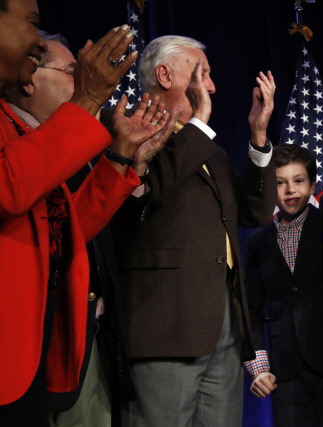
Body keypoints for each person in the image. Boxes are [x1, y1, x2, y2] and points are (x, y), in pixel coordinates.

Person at [0, 1, 176, 424]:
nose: (39, 41)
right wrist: (89, 98)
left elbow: (66, 228)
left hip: (32, 358)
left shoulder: (22, 129)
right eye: (33, 24)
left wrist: (120, 157)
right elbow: (9, 187)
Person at [118, 35, 277, 427]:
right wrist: (200, 126)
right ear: (164, 74)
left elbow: (255, 211)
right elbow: (153, 188)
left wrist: (258, 137)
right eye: (201, 74)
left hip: (222, 323)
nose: (211, 86)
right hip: (167, 323)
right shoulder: (130, 129)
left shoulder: (210, 150)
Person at [244, 144, 323, 427]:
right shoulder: (258, 242)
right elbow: (251, 310)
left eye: (299, 181)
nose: (290, 190)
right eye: (280, 183)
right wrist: (258, 368)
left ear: (313, 184)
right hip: (286, 368)